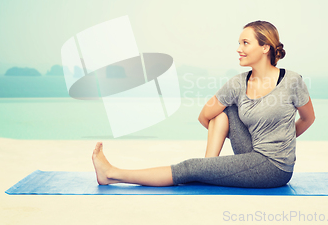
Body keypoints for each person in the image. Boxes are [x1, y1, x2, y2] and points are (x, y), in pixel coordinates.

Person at [92, 20, 315, 187]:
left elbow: (308, 118)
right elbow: (204, 116)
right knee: (224, 111)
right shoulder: (237, 83)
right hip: (251, 151)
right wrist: (214, 159)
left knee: (189, 167)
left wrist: (283, 139)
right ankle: (208, 166)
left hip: (274, 167)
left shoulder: (292, 81)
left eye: (245, 43)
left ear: (265, 47)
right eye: (239, 43)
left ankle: (111, 174)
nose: (239, 48)